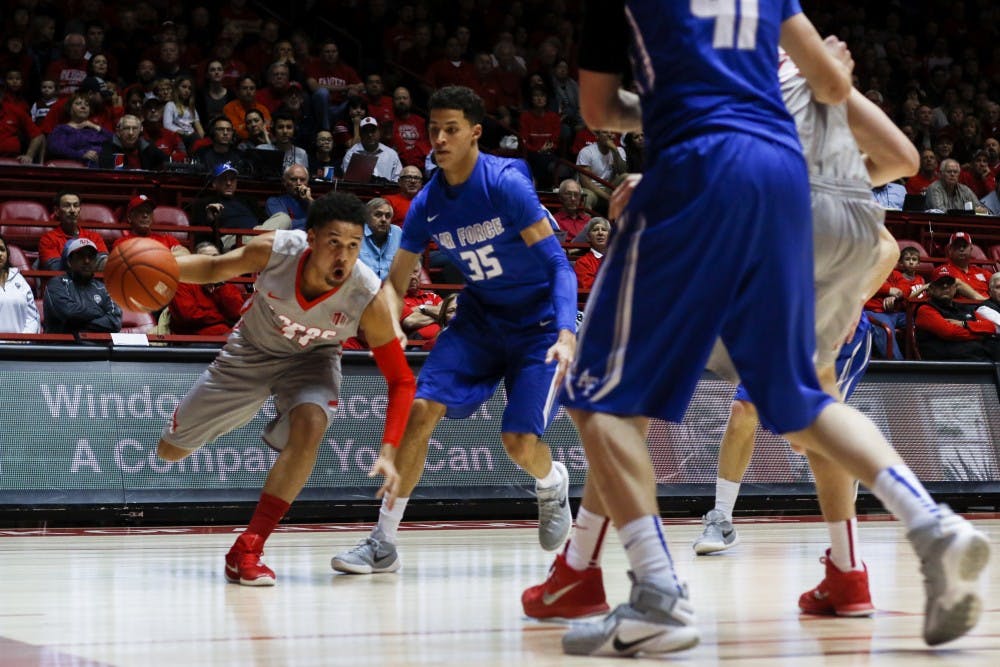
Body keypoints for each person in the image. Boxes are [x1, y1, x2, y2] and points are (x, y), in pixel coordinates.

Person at [551, 2, 988, 657]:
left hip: (700, 165)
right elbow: (839, 90)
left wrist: (680, 113)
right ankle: (930, 524)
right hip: (785, 178)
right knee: (801, 395)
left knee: (602, 394)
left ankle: (655, 592)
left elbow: (597, 109)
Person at [330, 86, 577, 575]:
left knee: (518, 444)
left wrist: (567, 331)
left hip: (540, 327)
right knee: (421, 408)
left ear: (475, 133)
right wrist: (389, 324)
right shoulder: (425, 204)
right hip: (479, 323)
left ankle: (552, 482)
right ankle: (383, 541)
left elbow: (558, 265)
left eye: (451, 130)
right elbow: (395, 282)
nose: (438, 140)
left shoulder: (505, 185)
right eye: (432, 130)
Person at [157, 192, 416, 586]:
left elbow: (401, 380)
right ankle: (239, 412)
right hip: (251, 351)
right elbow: (212, 267)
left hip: (314, 360)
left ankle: (248, 547)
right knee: (170, 451)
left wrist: (390, 446)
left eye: (353, 246)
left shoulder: (367, 295)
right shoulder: (275, 251)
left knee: (311, 423)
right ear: (310, 239)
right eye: (333, 244)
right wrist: (160, 269)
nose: (343, 258)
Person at [190, 162, 289, 251]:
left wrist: (259, 231)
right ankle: (264, 242)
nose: (229, 183)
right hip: (232, 239)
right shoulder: (204, 203)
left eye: (232, 179)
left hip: (256, 233)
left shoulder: (247, 200)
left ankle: (261, 242)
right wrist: (210, 218)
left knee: (283, 217)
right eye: (224, 179)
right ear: (214, 183)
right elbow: (200, 234)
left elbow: (264, 222)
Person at [43, 238, 122, 335]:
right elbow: (68, 313)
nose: (87, 261)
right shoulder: (57, 284)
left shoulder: (104, 289)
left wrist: (75, 328)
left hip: (98, 347)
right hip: (64, 346)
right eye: (81, 256)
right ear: (69, 262)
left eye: (91, 256)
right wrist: (100, 312)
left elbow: (115, 323)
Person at [167, 241, 247, 336]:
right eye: (206, 258)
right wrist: (222, 318)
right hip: (196, 339)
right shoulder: (183, 282)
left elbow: (237, 313)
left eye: (215, 257)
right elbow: (188, 317)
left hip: (227, 336)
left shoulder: (224, 284)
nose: (212, 262)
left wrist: (220, 286)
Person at [914, 274, 1000, 361]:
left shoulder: (964, 308)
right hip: (945, 362)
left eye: (949, 283)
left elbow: (990, 327)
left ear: (955, 288)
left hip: (974, 356)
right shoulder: (925, 309)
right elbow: (950, 332)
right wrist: (981, 335)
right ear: (931, 289)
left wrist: (964, 324)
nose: (945, 286)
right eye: (940, 283)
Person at [866, 246, 927, 359]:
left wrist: (895, 296)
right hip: (874, 312)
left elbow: (905, 288)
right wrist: (889, 290)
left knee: (924, 321)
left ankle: (927, 358)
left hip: (896, 313)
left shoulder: (896, 274)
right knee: (886, 329)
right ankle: (898, 367)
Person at [38, 191, 109, 271]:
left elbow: (104, 264)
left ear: (79, 210)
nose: (72, 210)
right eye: (67, 206)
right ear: (57, 211)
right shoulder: (48, 239)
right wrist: (88, 264)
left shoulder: (95, 237)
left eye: (76, 206)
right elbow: (55, 268)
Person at [44, 93, 109, 166]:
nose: (83, 107)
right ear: (70, 109)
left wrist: (95, 126)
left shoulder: (93, 129)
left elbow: (113, 140)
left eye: (87, 105)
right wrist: (81, 154)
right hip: (72, 169)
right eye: (78, 104)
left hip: (97, 169)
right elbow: (55, 147)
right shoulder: (61, 129)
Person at [112, 195, 188, 257]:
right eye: (140, 211)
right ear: (129, 217)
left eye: (148, 212)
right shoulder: (121, 243)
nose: (145, 215)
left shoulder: (168, 240)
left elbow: (185, 255)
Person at [340, 116, 402, 183]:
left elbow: (398, 179)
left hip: (385, 192)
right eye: (366, 131)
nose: (369, 134)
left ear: (379, 132)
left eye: (373, 130)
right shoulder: (351, 153)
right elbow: (349, 180)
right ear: (360, 134)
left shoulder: (391, 154)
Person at [932, 232, 993, 299]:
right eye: (957, 246)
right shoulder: (943, 270)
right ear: (950, 250)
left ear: (971, 249)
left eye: (964, 246)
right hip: (961, 307)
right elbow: (956, 284)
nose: (961, 249)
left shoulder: (982, 272)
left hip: (988, 307)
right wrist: (982, 300)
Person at [0, 233, 40, 335]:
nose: (0, 254)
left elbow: (33, 317)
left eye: (2, 249)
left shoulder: (18, 279)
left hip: (19, 346)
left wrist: (23, 340)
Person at [97, 114, 168, 170]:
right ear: (118, 132)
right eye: (126, 128)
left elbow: (167, 161)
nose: (131, 133)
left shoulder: (147, 146)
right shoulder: (108, 146)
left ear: (140, 130)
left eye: (135, 128)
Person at [0, 82, 45, 164]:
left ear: (3, 93)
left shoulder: (14, 110)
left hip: (11, 161)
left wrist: (29, 155)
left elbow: (38, 136)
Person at [358, 198, 401, 280]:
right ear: (366, 217)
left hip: (389, 289)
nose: (383, 220)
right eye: (378, 215)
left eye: (387, 216)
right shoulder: (357, 232)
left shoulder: (397, 233)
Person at [265, 164, 313, 231]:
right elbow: (285, 225)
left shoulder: (311, 202)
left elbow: (323, 221)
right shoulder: (274, 202)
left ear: (307, 182)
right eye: (293, 179)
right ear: (285, 182)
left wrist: (309, 200)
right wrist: (313, 223)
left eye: (302, 179)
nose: (298, 183)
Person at [573, 217, 610, 291]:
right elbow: (587, 288)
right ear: (588, 237)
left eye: (604, 230)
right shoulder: (583, 262)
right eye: (595, 230)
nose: (600, 233)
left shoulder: (619, 259)